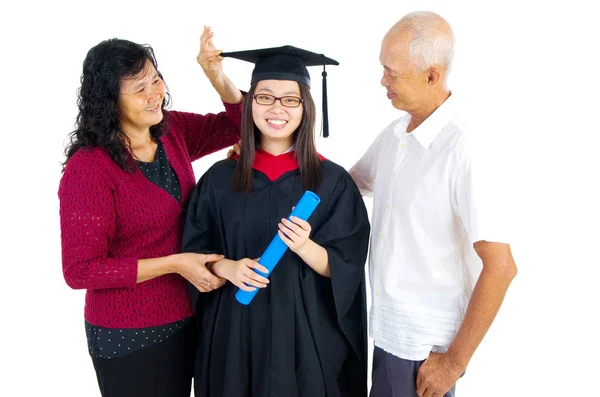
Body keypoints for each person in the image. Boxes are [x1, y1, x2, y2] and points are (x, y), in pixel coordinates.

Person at [58, 26, 243, 397]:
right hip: (130, 335)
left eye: (155, 80)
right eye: (139, 89)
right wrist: (176, 263)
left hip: (187, 316)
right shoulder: (90, 168)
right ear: (110, 100)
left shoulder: (171, 132)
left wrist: (216, 76)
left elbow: (240, 124)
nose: (154, 94)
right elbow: (80, 271)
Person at [182, 45, 371, 397]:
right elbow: (194, 250)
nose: (277, 109)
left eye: (290, 100)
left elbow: (347, 266)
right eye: (265, 97)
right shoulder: (220, 178)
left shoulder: (332, 181)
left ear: (306, 108)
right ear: (249, 103)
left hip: (306, 332)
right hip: (236, 328)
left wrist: (305, 245)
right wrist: (228, 268)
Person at [348, 11, 518, 397]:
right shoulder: (395, 134)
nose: (382, 81)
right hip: (387, 330)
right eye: (382, 69)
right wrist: (275, 157)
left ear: (431, 75)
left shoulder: (465, 148)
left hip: (424, 348)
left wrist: (453, 364)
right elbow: (346, 185)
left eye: (392, 72)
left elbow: (502, 267)